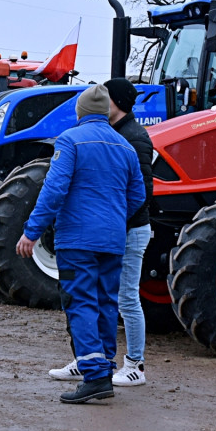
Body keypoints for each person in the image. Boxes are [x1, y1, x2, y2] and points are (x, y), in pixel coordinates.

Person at [17, 84, 145, 404]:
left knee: (80, 302)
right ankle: (105, 367)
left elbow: (54, 189)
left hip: (77, 239)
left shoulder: (70, 140)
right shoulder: (126, 147)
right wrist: (113, 221)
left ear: (80, 112)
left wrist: (32, 231)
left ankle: (95, 375)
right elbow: (137, 196)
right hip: (113, 241)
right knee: (105, 303)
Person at [48, 79, 153, 387]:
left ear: (115, 103)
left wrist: (112, 222)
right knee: (97, 298)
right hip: (114, 229)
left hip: (129, 230)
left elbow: (142, 192)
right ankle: (88, 359)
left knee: (126, 297)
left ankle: (135, 365)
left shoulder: (134, 137)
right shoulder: (116, 134)